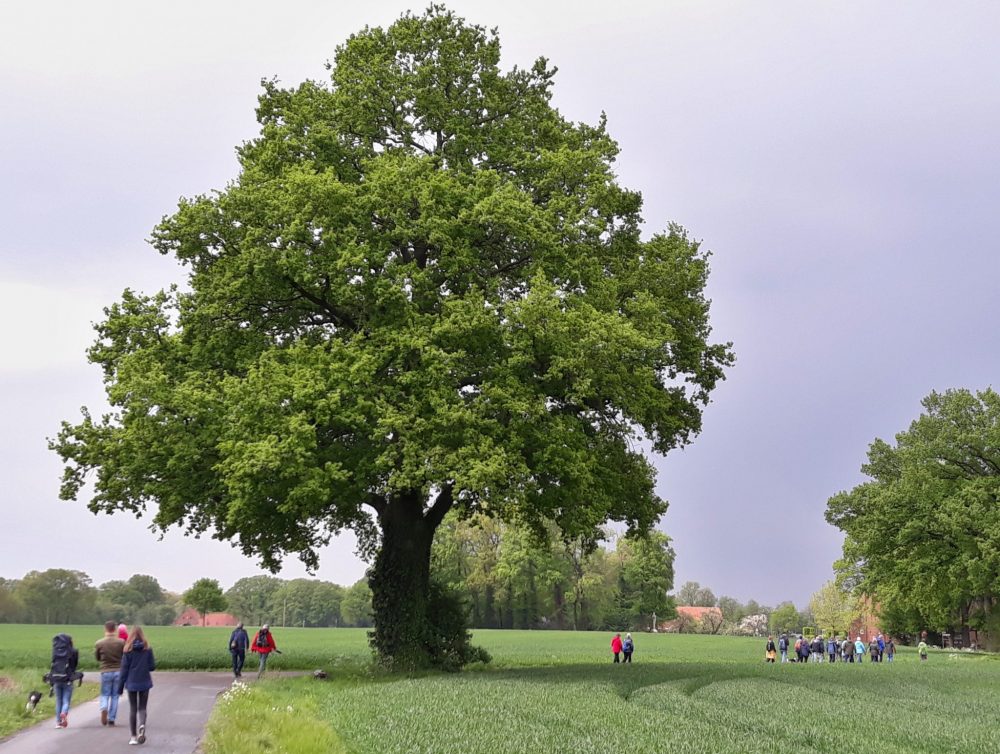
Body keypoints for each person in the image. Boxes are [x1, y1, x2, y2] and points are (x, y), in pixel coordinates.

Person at [117, 626, 155, 746]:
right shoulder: (147, 649)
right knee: (142, 708)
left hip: (131, 683)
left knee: (133, 709)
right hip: (145, 682)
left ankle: (133, 737)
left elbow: (124, 671)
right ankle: (142, 725)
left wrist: (120, 688)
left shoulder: (127, 650)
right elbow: (152, 666)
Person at [95, 620, 125, 727]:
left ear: (105, 629)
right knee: (115, 696)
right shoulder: (121, 642)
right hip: (118, 670)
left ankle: (103, 707)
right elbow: (124, 656)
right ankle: (112, 718)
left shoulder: (99, 643)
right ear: (115, 629)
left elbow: (98, 657)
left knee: (105, 694)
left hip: (105, 671)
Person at [47, 633, 80, 728]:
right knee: (66, 701)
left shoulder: (55, 651)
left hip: (56, 678)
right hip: (68, 679)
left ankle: (58, 722)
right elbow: (75, 664)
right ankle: (64, 713)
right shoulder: (73, 651)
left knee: (58, 701)